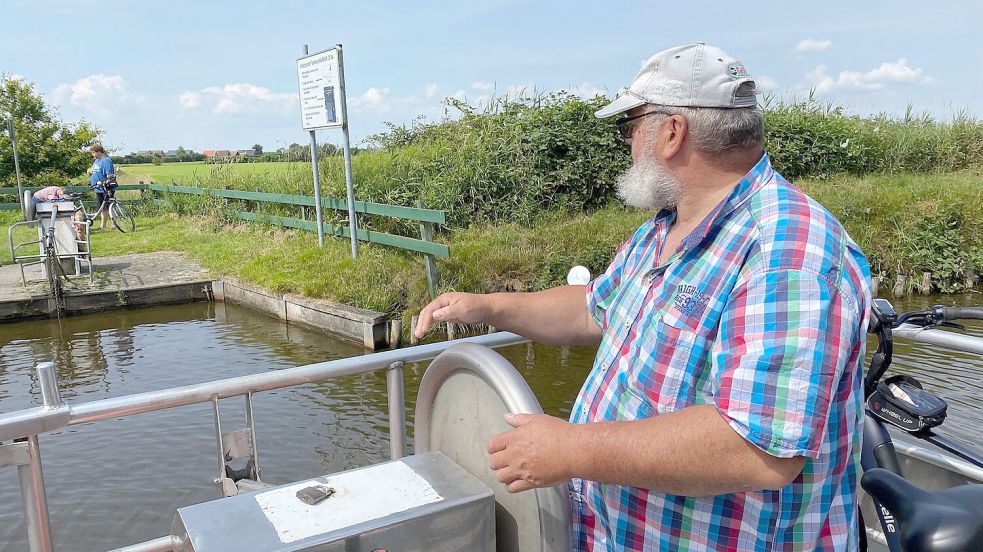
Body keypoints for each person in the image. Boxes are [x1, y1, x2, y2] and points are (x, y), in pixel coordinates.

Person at [415, 43, 871, 551]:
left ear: (672, 132)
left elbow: (757, 448)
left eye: (629, 126)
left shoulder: (787, 253)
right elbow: (595, 308)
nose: (628, 142)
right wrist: (487, 306)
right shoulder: (663, 230)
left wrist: (570, 450)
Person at [88, 143, 116, 230]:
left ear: (99, 152)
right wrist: (89, 171)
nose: (92, 155)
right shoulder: (96, 161)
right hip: (98, 188)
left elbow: (110, 175)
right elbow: (93, 170)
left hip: (105, 188)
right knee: (102, 207)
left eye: (93, 153)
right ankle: (102, 226)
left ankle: (114, 224)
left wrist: (105, 183)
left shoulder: (106, 161)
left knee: (110, 206)